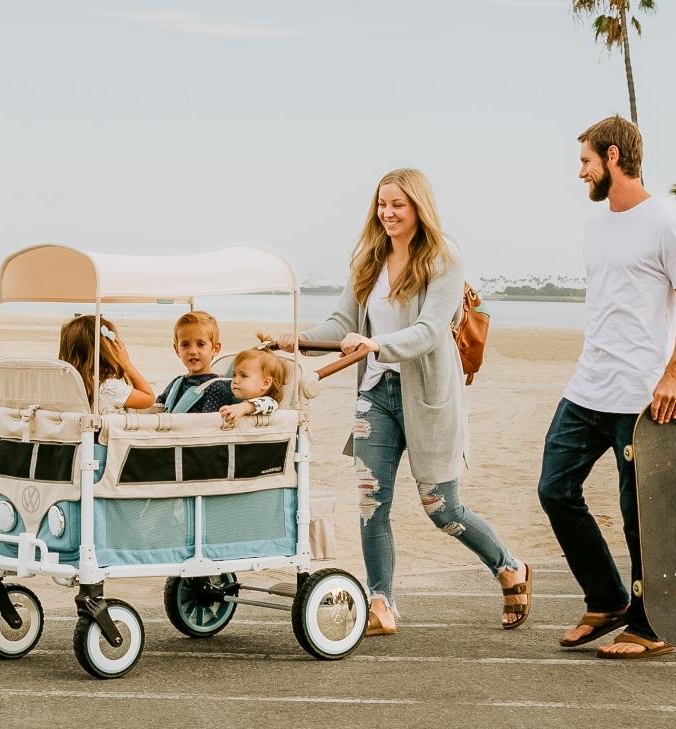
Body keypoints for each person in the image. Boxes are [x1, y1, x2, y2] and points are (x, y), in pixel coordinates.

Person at [277, 168, 531, 636]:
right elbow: (341, 324)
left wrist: (377, 345)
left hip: (429, 395)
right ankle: (381, 604)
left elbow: (431, 332)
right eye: (381, 204)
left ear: (418, 207)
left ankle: (508, 566)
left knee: (442, 507)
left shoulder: (443, 258)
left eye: (398, 205)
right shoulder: (369, 261)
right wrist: (297, 340)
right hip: (375, 397)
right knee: (372, 503)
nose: (388, 213)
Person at [538, 116, 676, 659]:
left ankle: (651, 624)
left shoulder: (664, 222)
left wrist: (674, 375)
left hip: (641, 396)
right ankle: (606, 598)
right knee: (555, 490)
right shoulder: (596, 225)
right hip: (588, 384)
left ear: (612, 157)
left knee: (642, 514)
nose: (579, 172)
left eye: (585, 161)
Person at [58, 315, 155, 414]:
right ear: (107, 351)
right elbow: (149, 398)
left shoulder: (63, 385)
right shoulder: (109, 387)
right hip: (105, 429)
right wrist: (126, 364)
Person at [156, 311, 236, 413]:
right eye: (185, 345)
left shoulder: (217, 388)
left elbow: (205, 425)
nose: (193, 351)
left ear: (215, 349)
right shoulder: (176, 383)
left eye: (200, 344)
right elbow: (158, 406)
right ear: (177, 350)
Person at [219, 348, 285, 423]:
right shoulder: (234, 398)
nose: (235, 381)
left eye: (244, 375)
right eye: (234, 375)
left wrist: (244, 407)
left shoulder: (269, 402)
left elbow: (265, 405)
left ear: (265, 383)